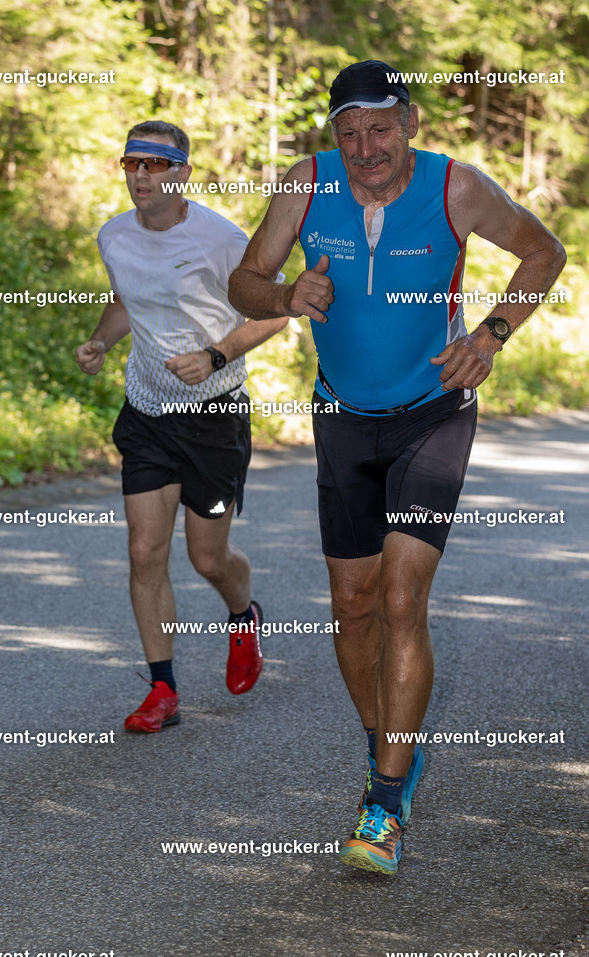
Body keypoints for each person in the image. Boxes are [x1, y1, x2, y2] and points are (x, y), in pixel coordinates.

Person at [228, 61, 566, 874]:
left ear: (408, 122)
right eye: (348, 131)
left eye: (378, 127)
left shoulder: (456, 187)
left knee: (400, 595)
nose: (364, 147)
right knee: (351, 606)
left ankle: (381, 802)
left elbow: (542, 252)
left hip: (432, 414)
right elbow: (243, 280)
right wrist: (283, 298)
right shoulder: (306, 186)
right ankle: (391, 749)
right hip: (342, 417)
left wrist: (488, 337)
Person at [76, 120, 288, 734]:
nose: (141, 176)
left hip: (214, 418)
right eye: (131, 164)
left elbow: (275, 314)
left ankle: (243, 615)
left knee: (207, 558)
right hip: (144, 413)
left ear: (183, 172)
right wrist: (98, 341)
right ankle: (163, 688)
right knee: (144, 552)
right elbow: (126, 302)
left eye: (155, 164)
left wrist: (217, 355)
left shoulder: (221, 239)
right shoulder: (113, 236)